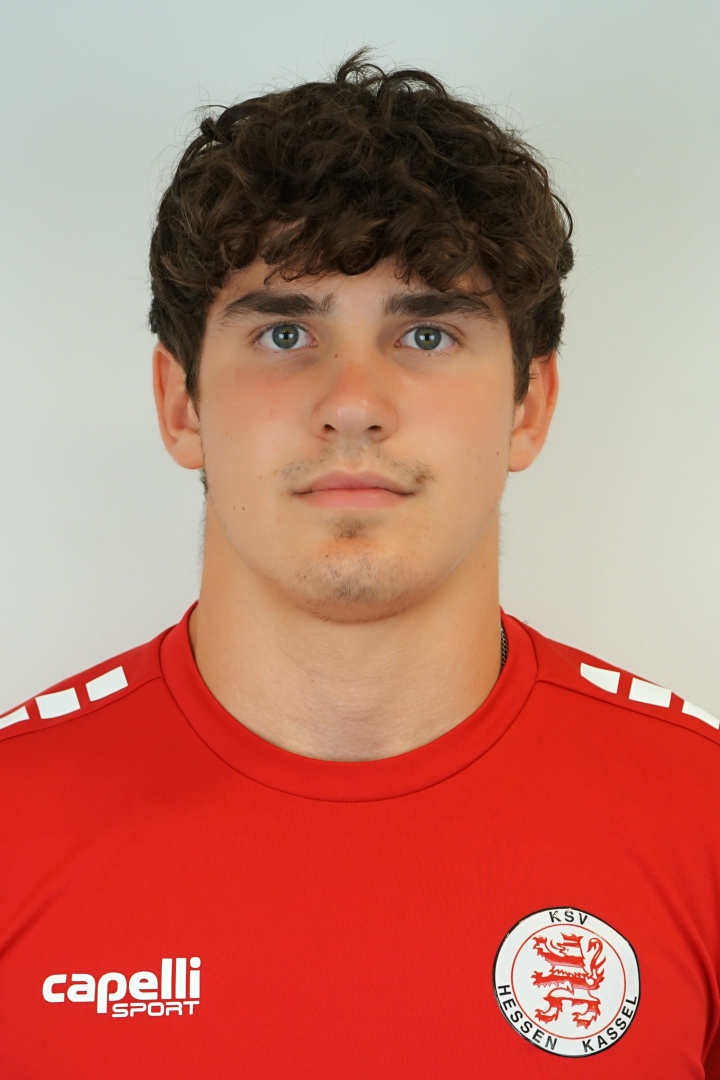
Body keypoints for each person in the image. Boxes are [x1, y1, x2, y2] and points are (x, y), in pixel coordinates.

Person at [1, 52, 719, 1079]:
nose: (352, 401)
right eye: (283, 330)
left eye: (426, 332)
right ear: (181, 404)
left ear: (529, 406)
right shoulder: (12, 822)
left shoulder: (703, 816)